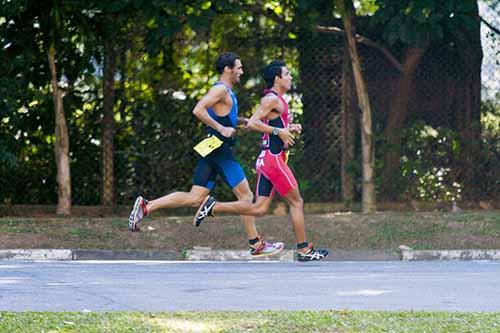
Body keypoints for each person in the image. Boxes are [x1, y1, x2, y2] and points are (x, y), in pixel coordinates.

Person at [128, 52, 284, 258]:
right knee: (246, 197)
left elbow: (222, 116)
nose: (241, 71)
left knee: (195, 197)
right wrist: (221, 129)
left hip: (212, 148)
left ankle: (147, 206)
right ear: (228, 69)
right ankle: (255, 243)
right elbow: (198, 110)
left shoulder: (225, 91)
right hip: (220, 149)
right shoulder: (220, 90)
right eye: (239, 67)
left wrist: (240, 121)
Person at [194, 60, 329, 262]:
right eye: (287, 74)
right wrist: (279, 131)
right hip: (273, 160)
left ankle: (213, 206)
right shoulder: (270, 99)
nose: (291, 77)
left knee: (259, 208)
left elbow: (270, 125)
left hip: (269, 160)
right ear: (277, 78)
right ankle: (304, 250)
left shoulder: (277, 100)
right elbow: (254, 124)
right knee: (296, 201)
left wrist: (288, 129)